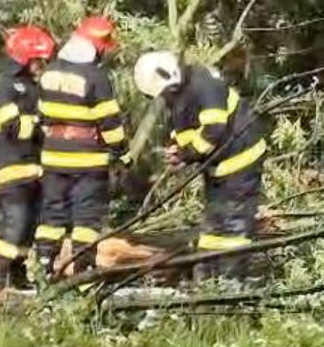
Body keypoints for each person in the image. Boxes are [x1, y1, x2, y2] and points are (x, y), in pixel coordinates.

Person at [133, 51, 267, 281]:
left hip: (240, 164)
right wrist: (177, 147)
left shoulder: (204, 84)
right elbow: (187, 127)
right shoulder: (179, 96)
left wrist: (187, 154)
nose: (162, 99)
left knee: (233, 226)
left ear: (170, 82)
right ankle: (208, 277)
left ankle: (231, 283)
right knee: (213, 225)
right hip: (218, 168)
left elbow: (214, 130)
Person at [33, 16, 128, 278]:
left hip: (53, 157)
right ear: (97, 47)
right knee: (86, 219)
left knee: (52, 215)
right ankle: (83, 275)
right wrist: (122, 153)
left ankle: (43, 269)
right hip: (88, 160)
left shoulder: (49, 73)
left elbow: (41, 116)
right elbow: (110, 123)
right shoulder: (96, 77)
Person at [0, 25, 56, 291]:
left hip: (35, 168)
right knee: (15, 223)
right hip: (13, 167)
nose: (42, 65)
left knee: (29, 226)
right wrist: (39, 124)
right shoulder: (6, 85)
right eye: (39, 60)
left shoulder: (33, 88)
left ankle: (17, 274)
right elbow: (9, 128)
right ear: (26, 57)